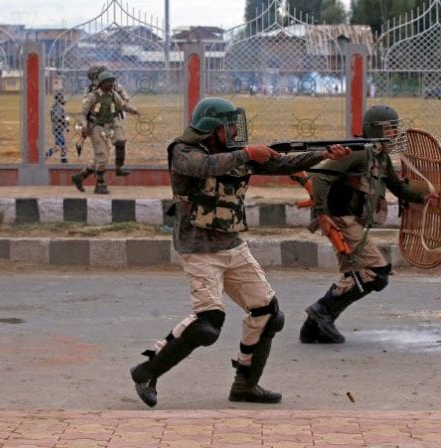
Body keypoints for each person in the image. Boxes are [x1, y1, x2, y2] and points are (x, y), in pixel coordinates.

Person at [128, 97, 351, 407]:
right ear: (211, 129)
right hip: (198, 248)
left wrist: (324, 154)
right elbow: (204, 167)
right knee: (207, 324)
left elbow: (283, 163)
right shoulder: (183, 151)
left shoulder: (237, 154)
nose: (235, 132)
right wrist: (247, 154)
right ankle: (145, 372)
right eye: (228, 127)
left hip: (231, 244)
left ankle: (245, 384)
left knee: (268, 313)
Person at [299, 105, 439, 344]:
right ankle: (322, 311)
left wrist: (423, 198)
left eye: (395, 129)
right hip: (339, 218)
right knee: (376, 272)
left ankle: (313, 328)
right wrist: (322, 215)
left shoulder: (380, 157)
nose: (395, 134)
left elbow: (397, 187)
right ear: (376, 130)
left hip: (349, 219)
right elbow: (320, 177)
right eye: (390, 129)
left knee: (356, 274)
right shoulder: (359, 153)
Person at [71, 71, 139, 194]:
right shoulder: (93, 96)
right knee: (102, 158)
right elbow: (83, 114)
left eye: (112, 81)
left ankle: (80, 177)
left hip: (109, 126)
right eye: (108, 82)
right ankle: (100, 184)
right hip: (96, 127)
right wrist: (84, 126)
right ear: (102, 83)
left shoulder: (113, 95)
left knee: (105, 154)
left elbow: (122, 105)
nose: (111, 84)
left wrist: (133, 110)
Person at [84, 66, 133, 176]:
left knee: (119, 142)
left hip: (113, 117)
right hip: (97, 121)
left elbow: (125, 98)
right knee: (102, 151)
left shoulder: (115, 86)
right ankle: (90, 175)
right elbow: (85, 104)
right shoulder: (90, 89)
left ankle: (118, 168)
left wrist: (115, 101)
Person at [49, 92, 69, 163]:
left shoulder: (58, 106)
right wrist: (65, 122)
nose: (63, 100)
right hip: (58, 128)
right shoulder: (57, 107)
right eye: (62, 98)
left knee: (62, 144)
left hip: (59, 128)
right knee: (58, 146)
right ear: (59, 99)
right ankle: (47, 155)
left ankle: (63, 159)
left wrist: (65, 125)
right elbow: (57, 118)